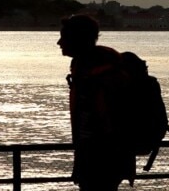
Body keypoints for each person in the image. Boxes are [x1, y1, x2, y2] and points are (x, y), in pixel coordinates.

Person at [58, 14, 136, 191]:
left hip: (102, 158)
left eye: (64, 37)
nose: (59, 43)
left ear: (77, 39)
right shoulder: (88, 67)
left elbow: (106, 120)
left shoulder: (100, 73)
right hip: (95, 156)